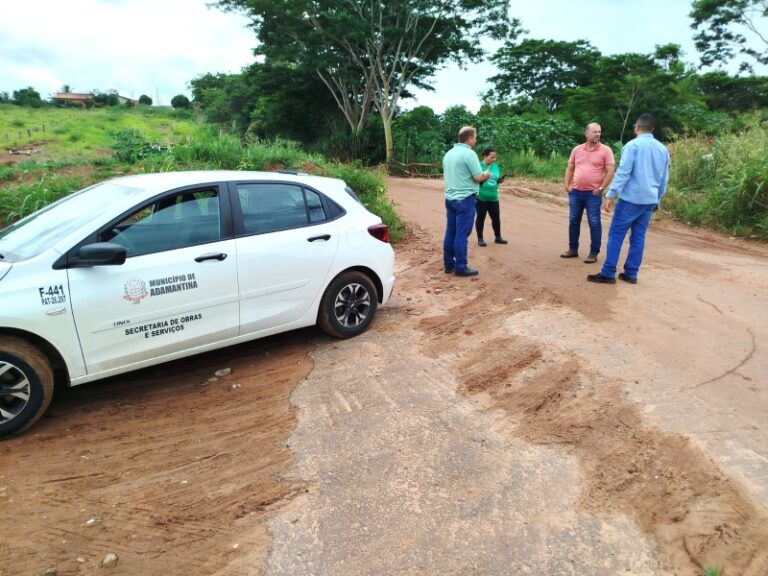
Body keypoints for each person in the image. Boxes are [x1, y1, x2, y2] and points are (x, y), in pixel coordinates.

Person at [587, 114, 670, 284]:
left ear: (637, 128)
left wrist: (610, 194)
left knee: (616, 235)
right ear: (652, 129)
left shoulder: (632, 146)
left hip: (631, 199)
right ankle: (631, 273)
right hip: (649, 200)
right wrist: (658, 199)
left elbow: (623, 173)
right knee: (638, 237)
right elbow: (664, 178)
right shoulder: (663, 149)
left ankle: (608, 272)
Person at [561, 123, 615, 264]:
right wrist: (566, 184)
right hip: (575, 192)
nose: (598, 134)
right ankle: (573, 249)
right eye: (594, 132)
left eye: (599, 132)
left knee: (594, 222)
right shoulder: (577, 149)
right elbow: (570, 167)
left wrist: (602, 188)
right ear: (586, 134)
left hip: (593, 194)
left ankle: (593, 253)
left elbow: (610, 170)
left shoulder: (606, 150)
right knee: (573, 220)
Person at [443, 126, 490, 277]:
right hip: (465, 199)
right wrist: (486, 175)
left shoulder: (449, 153)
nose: (476, 140)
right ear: (469, 138)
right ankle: (461, 267)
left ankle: (449, 265)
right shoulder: (469, 154)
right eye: (475, 137)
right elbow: (478, 177)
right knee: (461, 235)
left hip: (450, 198)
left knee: (450, 232)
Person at [475, 147, 508, 247]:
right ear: (485, 156)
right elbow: (475, 181)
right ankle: (480, 239)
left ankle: (498, 237)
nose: (494, 159)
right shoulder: (478, 166)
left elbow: (495, 180)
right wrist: (484, 178)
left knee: (496, 218)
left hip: (493, 197)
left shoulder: (496, 167)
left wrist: (500, 180)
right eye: (492, 157)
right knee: (481, 218)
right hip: (481, 197)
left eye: (495, 157)